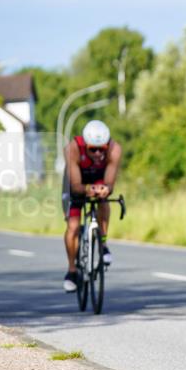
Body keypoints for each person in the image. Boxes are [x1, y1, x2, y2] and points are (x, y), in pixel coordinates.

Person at [62, 120, 122, 292]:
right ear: (85, 145)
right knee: (73, 226)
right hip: (76, 180)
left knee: (104, 200)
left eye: (101, 149)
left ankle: (103, 244)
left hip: (98, 177)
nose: (97, 153)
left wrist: (106, 189)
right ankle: (72, 271)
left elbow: (109, 182)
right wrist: (88, 189)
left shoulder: (115, 149)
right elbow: (75, 186)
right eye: (93, 149)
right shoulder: (72, 148)